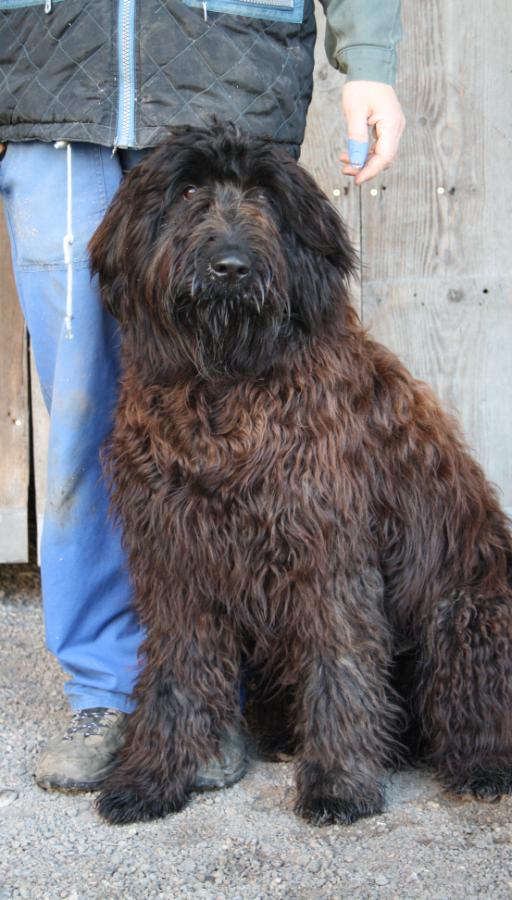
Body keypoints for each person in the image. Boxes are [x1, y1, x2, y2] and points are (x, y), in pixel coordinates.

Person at [0, 0, 405, 793]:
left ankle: (222, 697)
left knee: (254, 429)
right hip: (53, 83)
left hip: (227, 62)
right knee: (87, 420)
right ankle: (112, 691)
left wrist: (371, 61)